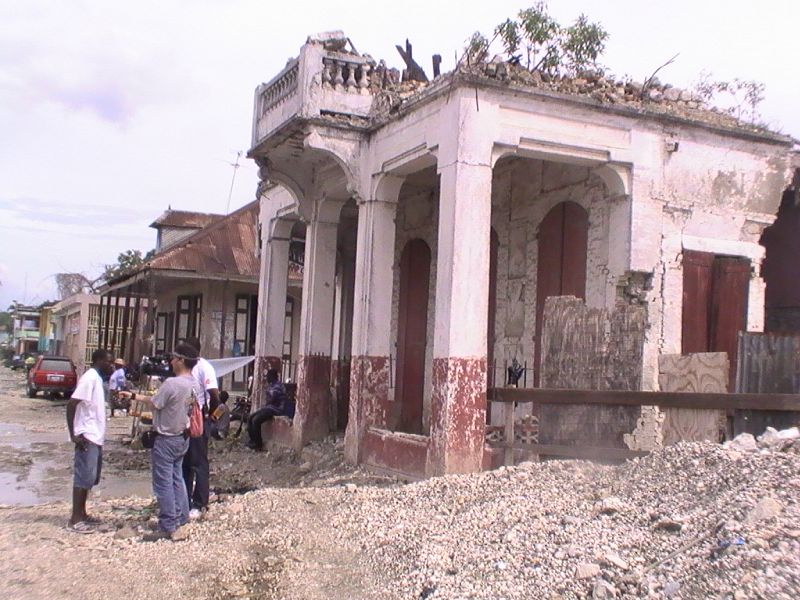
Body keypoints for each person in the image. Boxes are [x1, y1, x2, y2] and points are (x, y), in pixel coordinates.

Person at [122, 343, 201, 542]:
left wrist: (133, 397)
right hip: (182, 437)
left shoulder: (172, 384)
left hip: (166, 438)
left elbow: (156, 402)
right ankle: (181, 518)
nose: (170, 362)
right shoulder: (194, 383)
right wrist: (133, 395)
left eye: (173, 358)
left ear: (181, 360)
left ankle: (168, 524)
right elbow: (160, 400)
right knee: (177, 478)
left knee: (163, 483)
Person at [66, 349, 113, 533]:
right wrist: (74, 434)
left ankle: (83, 514)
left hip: (96, 436)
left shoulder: (98, 379)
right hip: (87, 435)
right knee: (83, 477)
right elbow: (72, 404)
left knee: (90, 477)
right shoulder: (90, 378)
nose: (111, 365)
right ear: (99, 360)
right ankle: (75, 519)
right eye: (108, 361)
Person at [182, 336, 219, 519]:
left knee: (199, 463)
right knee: (185, 462)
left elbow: (215, 395)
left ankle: (200, 502)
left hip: (200, 419)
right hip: (184, 421)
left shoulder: (204, 368)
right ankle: (184, 500)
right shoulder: (183, 369)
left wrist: (211, 418)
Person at [246, 369, 294, 451]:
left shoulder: (278, 386)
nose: (267, 379)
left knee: (256, 420)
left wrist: (268, 398)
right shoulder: (272, 385)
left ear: (272, 377)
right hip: (270, 407)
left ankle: (258, 444)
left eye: (268, 377)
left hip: (277, 409)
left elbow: (271, 399)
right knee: (250, 417)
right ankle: (252, 441)